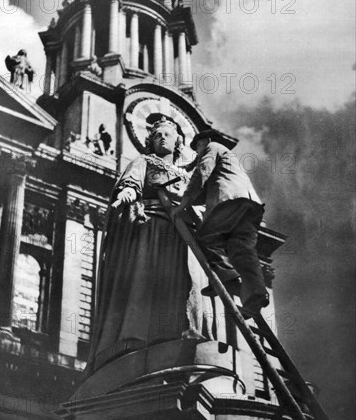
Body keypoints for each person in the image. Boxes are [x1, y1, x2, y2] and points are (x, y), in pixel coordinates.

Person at [87, 117, 217, 374]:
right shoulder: (144, 162)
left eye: (167, 134)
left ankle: (185, 332)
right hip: (154, 229)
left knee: (184, 281)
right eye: (157, 135)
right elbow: (132, 183)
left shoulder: (187, 174)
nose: (162, 138)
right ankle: (138, 336)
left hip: (184, 235)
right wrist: (126, 193)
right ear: (151, 141)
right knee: (148, 282)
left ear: (177, 141)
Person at [172, 129, 269, 319]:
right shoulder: (227, 156)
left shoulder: (213, 147)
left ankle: (227, 278)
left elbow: (202, 172)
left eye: (198, 146)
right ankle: (255, 296)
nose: (198, 151)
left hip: (230, 202)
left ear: (206, 141)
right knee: (241, 250)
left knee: (206, 238)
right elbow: (206, 181)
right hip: (250, 206)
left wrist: (183, 203)